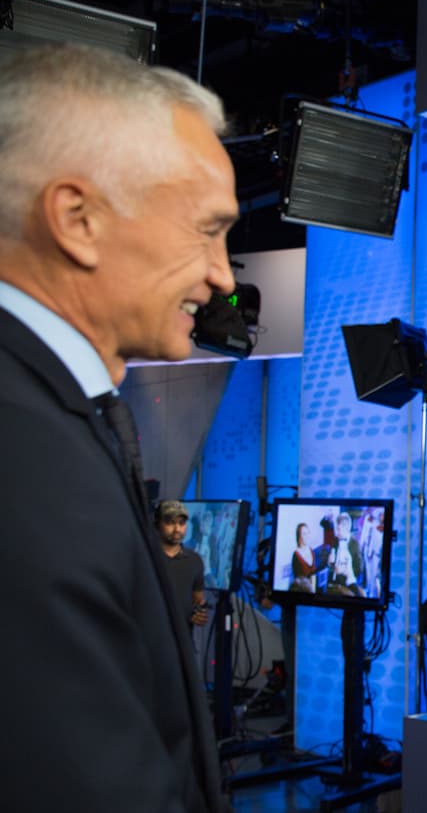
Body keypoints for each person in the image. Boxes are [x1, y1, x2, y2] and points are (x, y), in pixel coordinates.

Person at [0, 42, 237, 812]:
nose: (224, 275)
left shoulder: (54, 414)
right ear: (78, 219)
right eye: (207, 230)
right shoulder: (25, 454)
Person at [156, 500, 212, 637]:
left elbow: (198, 600)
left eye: (181, 523)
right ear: (157, 525)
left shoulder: (195, 561)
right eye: (170, 523)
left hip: (182, 643)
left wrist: (199, 613)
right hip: (148, 645)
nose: (177, 529)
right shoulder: (145, 557)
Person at [290, 522, 319, 593]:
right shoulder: (296, 555)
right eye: (304, 534)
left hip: (313, 590)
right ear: (299, 536)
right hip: (302, 592)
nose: (307, 536)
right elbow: (297, 580)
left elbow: (314, 573)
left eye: (308, 533)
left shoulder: (311, 550)